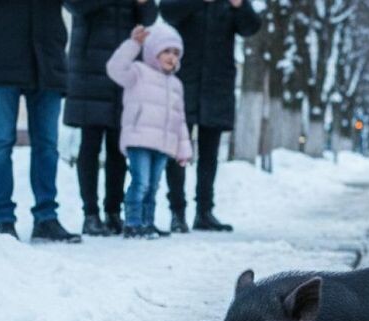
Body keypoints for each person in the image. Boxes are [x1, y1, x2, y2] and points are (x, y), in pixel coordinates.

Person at [0, 0, 80, 243]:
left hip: (47, 59)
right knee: (0, 143)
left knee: (47, 145)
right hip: (0, 56)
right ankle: (3, 219)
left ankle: (46, 218)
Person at [160, 0, 262, 233]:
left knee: (210, 153)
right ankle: (177, 212)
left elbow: (251, 27)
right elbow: (167, 11)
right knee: (177, 151)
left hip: (217, 84)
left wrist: (240, 6)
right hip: (182, 82)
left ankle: (204, 211)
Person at [65, 0, 159, 236]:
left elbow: (149, 18)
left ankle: (113, 212)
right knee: (90, 144)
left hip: (124, 69)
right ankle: (90, 214)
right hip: (89, 69)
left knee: (119, 146)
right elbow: (76, 6)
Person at [106, 24, 193, 239]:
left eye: (176, 53)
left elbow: (180, 119)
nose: (171, 57)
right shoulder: (138, 72)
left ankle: (147, 223)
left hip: (163, 144)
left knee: (153, 186)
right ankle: (133, 223)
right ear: (153, 51)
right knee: (141, 183)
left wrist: (184, 149)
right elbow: (115, 68)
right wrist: (134, 44)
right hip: (139, 140)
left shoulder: (176, 84)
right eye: (166, 51)